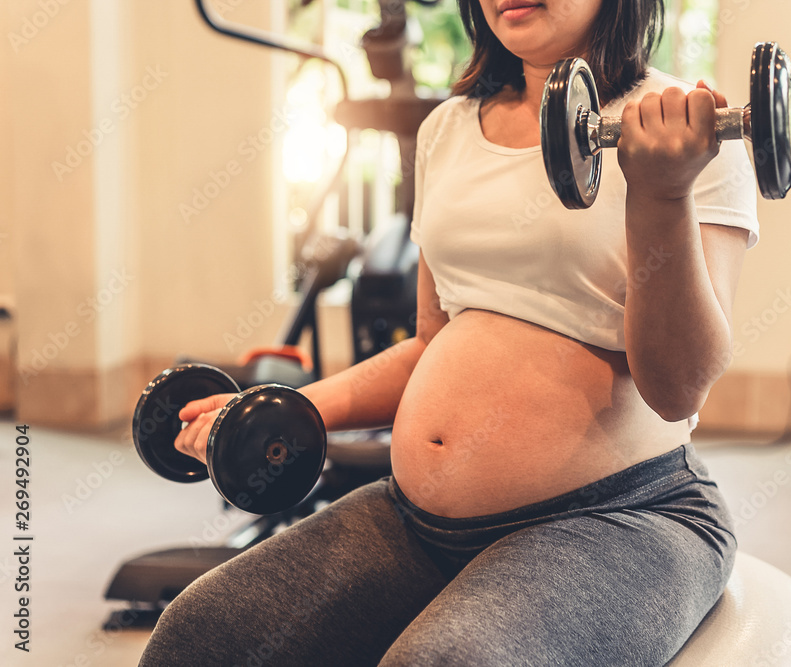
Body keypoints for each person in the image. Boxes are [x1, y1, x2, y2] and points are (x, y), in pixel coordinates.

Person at [140, 0, 758, 664]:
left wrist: (662, 193)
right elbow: (434, 342)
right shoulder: (448, 131)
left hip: (622, 514)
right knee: (201, 634)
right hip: (417, 521)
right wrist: (294, 408)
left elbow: (680, 387)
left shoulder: (684, 128)